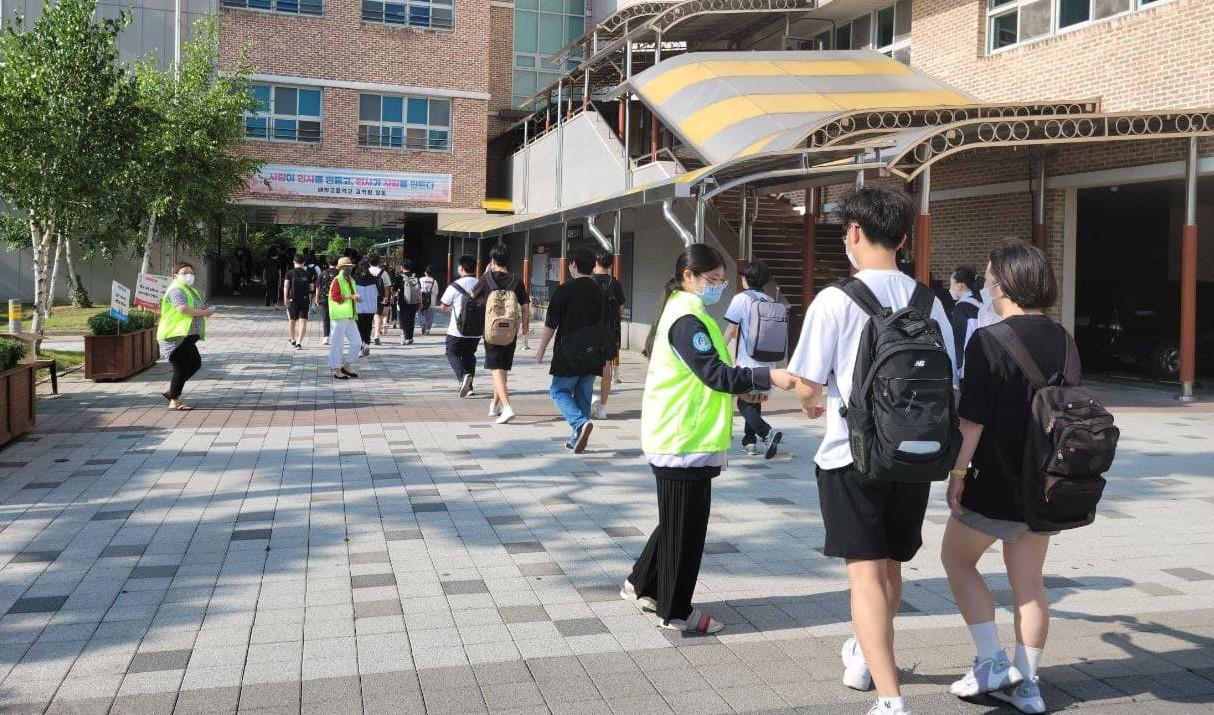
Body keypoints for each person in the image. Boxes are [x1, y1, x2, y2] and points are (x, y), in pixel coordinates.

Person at [787, 187, 956, 715]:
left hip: (850, 456)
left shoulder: (835, 300)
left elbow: (805, 382)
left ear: (855, 233)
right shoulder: (931, 303)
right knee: (890, 568)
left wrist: (811, 401)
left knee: (863, 576)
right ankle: (864, 657)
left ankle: (890, 699)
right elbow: (951, 382)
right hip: (916, 454)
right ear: (903, 239)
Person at [621, 245, 796, 634]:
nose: (717, 288)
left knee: (674, 522)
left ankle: (640, 583)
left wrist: (747, 386)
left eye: (721, 281)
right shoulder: (687, 320)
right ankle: (676, 611)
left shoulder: (687, 312)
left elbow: (715, 374)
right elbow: (715, 374)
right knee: (686, 529)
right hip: (684, 437)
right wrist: (770, 377)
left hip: (683, 434)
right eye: (711, 280)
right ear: (688, 276)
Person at [940, 239, 1066, 715]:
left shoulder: (987, 340)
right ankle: (1028, 685)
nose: (987, 285)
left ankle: (991, 660)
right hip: (1049, 481)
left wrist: (956, 475)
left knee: (956, 560)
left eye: (991, 277)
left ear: (1007, 283)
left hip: (996, 479)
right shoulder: (1064, 339)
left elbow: (972, 422)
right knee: (1029, 583)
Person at [535, 249, 609, 453]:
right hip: (593, 352)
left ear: (574, 264)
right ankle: (577, 439)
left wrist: (541, 348)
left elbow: (551, 323)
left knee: (558, 390)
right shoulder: (600, 291)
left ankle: (579, 423)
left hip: (568, 351)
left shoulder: (564, 290)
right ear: (593, 266)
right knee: (583, 393)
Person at [722, 260, 783, 459]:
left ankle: (767, 433)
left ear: (745, 278)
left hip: (748, 362)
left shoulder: (742, 299)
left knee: (744, 403)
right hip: (768, 363)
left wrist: (719, 350)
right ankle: (750, 443)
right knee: (754, 401)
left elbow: (731, 330)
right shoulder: (771, 301)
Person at [476, 244, 530, 424]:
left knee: (496, 369)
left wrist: (484, 274)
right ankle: (494, 405)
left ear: (492, 260)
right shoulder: (517, 280)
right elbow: (525, 307)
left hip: (491, 330)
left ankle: (506, 407)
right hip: (510, 331)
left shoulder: (486, 278)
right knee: (502, 367)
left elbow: (471, 295)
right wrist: (524, 329)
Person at [157, 262, 214, 411]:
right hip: (175, 337)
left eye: (191, 272)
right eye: (184, 272)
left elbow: (194, 307)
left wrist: (204, 309)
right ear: (175, 276)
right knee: (181, 368)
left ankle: (172, 392)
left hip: (186, 337)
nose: (189, 275)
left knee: (195, 364)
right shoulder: (176, 289)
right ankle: (175, 401)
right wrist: (203, 313)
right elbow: (181, 309)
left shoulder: (190, 290)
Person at [590, 250, 626, 420]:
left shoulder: (589, 282)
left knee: (586, 368)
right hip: (610, 332)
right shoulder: (615, 283)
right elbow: (620, 310)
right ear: (611, 264)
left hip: (590, 332)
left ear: (595, 263)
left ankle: (586, 403)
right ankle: (602, 408)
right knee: (605, 368)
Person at [440, 256, 481, 397]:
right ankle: (469, 388)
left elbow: (443, 307)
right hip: (476, 330)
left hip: (457, 330)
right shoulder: (481, 284)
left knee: (451, 352)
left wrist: (453, 307)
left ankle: (463, 376)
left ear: (461, 269)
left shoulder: (455, 285)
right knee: (469, 354)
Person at [327, 256, 362, 379]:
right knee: (337, 344)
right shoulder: (337, 280)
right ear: (341, 268)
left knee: (357, 343)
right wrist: (352, 297)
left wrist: (355, 298)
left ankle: (346, 365)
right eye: (346, 267)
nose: (349, 269)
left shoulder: (351, 280)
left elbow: (350, 296)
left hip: (350, 316)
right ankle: (336, 369)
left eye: (350, 267)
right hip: (339, 316)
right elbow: (335, 297)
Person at [949, 266, 985, 379]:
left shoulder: (961, 308)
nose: (950, 288)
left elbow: (958, 341)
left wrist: (956, 370)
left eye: (951, 284)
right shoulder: (981, 304)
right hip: (982, 362)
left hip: (966, 368)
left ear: (959, 285)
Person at [283, 254, 317, 349]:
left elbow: (286, 286)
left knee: (292, 320)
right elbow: (311, 288)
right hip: (305, 300)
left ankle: (293, 340)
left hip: (292, 300)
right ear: (303, 263)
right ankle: (299, 342)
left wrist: (285, 298)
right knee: (303, 321)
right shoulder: (308, 274)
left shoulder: (289, 273)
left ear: (294, 262)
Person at [354, 260, 380, 356]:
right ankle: (367, 343)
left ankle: (361, 347)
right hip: (371, 308)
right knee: (368, 326)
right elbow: (379, 293)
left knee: (359, 327)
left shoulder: (354, 279)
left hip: (359, 307)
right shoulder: (375, 279)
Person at [367, 254, 393, 344]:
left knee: (367, 316)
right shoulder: (383, 272)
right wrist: (386, 297)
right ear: (378, 262)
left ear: (369, 262)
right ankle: (377, 335)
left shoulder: (366, 271)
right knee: (378, 315)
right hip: (379, 296)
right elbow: (387, 287)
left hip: (368, 296)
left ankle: (367, 334)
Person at [396, 259, 423, 345]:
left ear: (402, 267)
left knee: (404, 320)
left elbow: (394, 290)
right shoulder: (415, 277)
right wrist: (420, 302)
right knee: (411, 319)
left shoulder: (399, 277)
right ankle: (410, 338)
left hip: (404, 301)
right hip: (414, 302)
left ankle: (407, 338)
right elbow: (419, 290)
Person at [318, 256, 339, 346]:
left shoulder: (323, 273)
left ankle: (326, 337)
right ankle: (336, 337)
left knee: (326, 318)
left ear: (328, 263)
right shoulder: (340, 274)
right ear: (337, 263)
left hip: (324, 298)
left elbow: (318, 286)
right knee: (336, 318)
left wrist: (316, 297)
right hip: (337, 298)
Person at [419, 266, 438, 336]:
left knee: (422, 313)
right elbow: (436, 292)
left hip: (422, 299)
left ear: (425, 272)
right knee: (430, 315)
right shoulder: (434, 281)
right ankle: (427, 330)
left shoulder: (421, 279)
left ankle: (423, 323)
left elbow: (418, 289)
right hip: (431, 300)